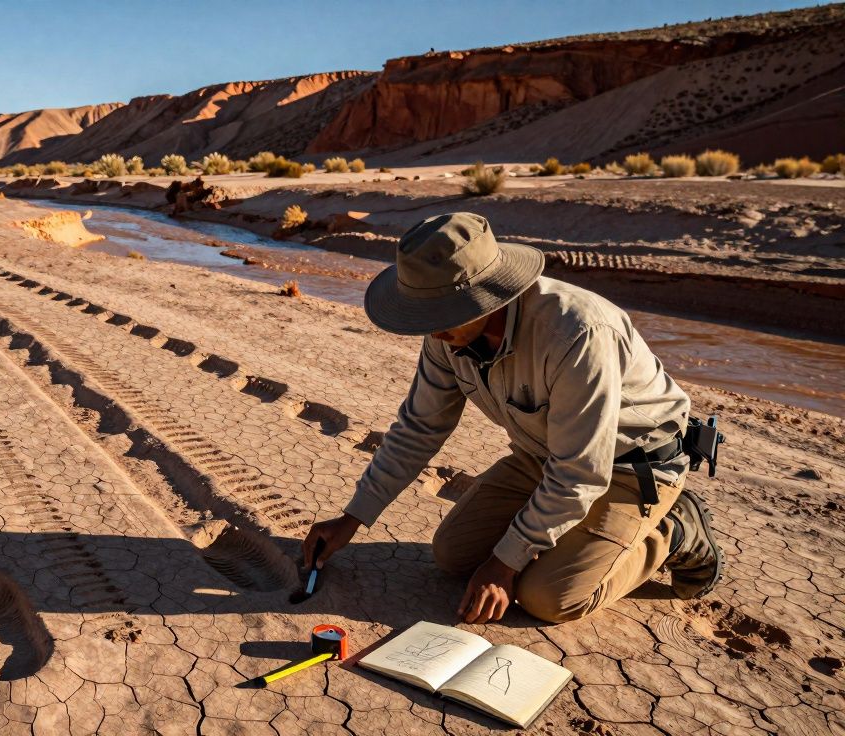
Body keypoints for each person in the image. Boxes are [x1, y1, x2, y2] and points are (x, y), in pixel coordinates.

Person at [302, 212, 724, 624]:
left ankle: (672, 532)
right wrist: (352, 518)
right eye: (424, 314)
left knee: (548, 598)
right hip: (541, 458)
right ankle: (559, 536)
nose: (431, 331)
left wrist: (506, 563)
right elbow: (418, 429)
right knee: (452, 555)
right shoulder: (447, 335)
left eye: (441, 313)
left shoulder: (578, 334)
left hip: (631, 468)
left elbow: (580, 471)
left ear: (485, 295)